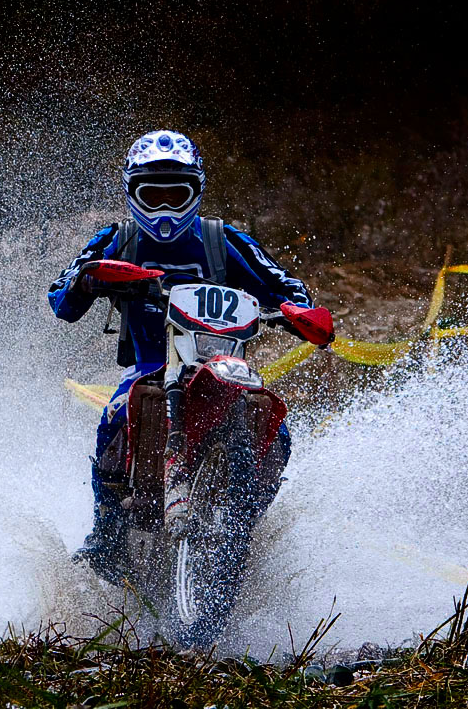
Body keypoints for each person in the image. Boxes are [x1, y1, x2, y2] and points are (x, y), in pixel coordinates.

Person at [48, 130, 316, 582]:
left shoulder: (220, 239)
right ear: (133, 193)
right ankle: (107, 533)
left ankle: (245, 517)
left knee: (276, 426)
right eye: (154, 196)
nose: (166, 208)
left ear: (197, 190)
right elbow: (62, 298)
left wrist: (296, 310)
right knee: (114, 415)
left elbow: (282, 282)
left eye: (176, 194)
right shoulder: (118, 238)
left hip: (221, 363)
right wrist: (88, 281)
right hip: (151, 366)